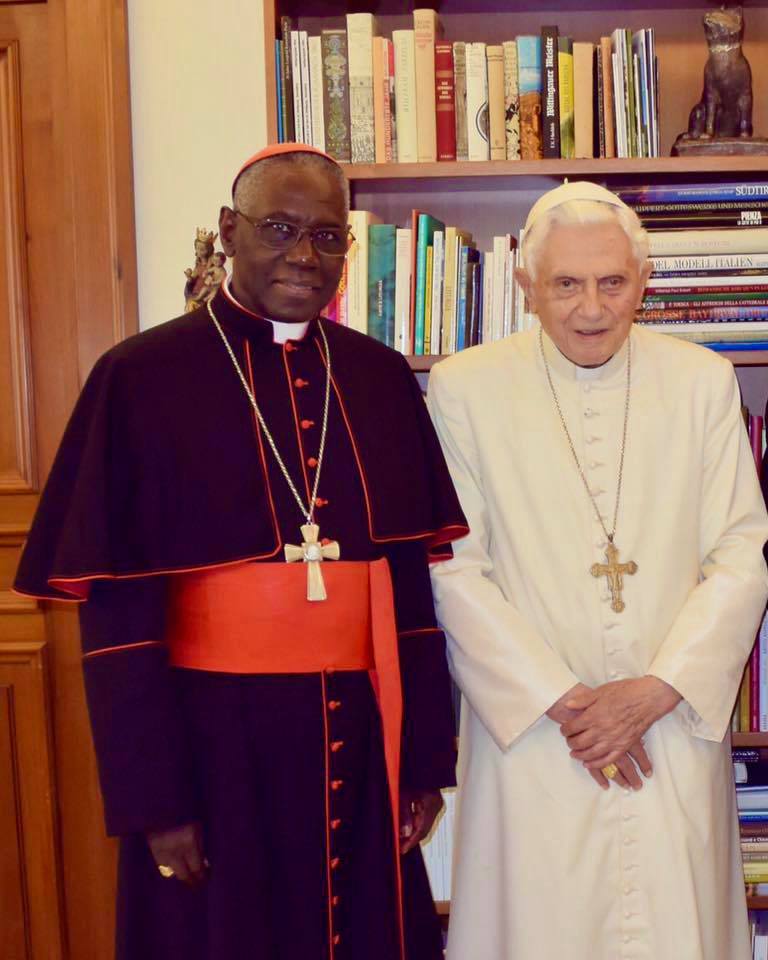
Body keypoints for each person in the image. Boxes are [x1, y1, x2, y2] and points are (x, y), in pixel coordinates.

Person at [15, 142, 467, 960]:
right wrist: (155, 799)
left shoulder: (379, 377)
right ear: (230, 230)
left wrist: (425, 759)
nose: (304, 255)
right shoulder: (141, 376)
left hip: (360, 736)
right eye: (279, 228)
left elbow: (406, 588)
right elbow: (119, 617)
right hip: (211, 748)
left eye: (328, 236)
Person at [427, 180, 768, 960]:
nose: (591, 308)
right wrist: (567, 701)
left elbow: (741, 553)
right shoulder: (465, 389)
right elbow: (453, 568)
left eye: (612, 283)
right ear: (525, 287)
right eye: (566, 285)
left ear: (643, 283)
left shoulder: (700, 382)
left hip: (670, 727)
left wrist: (653, 691)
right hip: (540, 738)